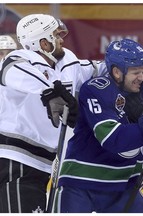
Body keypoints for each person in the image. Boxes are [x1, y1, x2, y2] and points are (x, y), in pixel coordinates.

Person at [52, 38, 143, 213]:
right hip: (82, 183)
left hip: (124, 186)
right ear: (117, 72)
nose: (141, 78)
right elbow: (113, 139)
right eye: (135, 72)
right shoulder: (96, 89)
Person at [0, 14, 104, 213]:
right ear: (43, 43)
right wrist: (50, 92)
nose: (62, 40)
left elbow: (98, 69)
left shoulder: (68, 62)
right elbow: (10, 71)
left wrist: (126, 68)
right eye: (56, 36)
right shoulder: (20, 60)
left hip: (41, 163)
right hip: (15, 161)